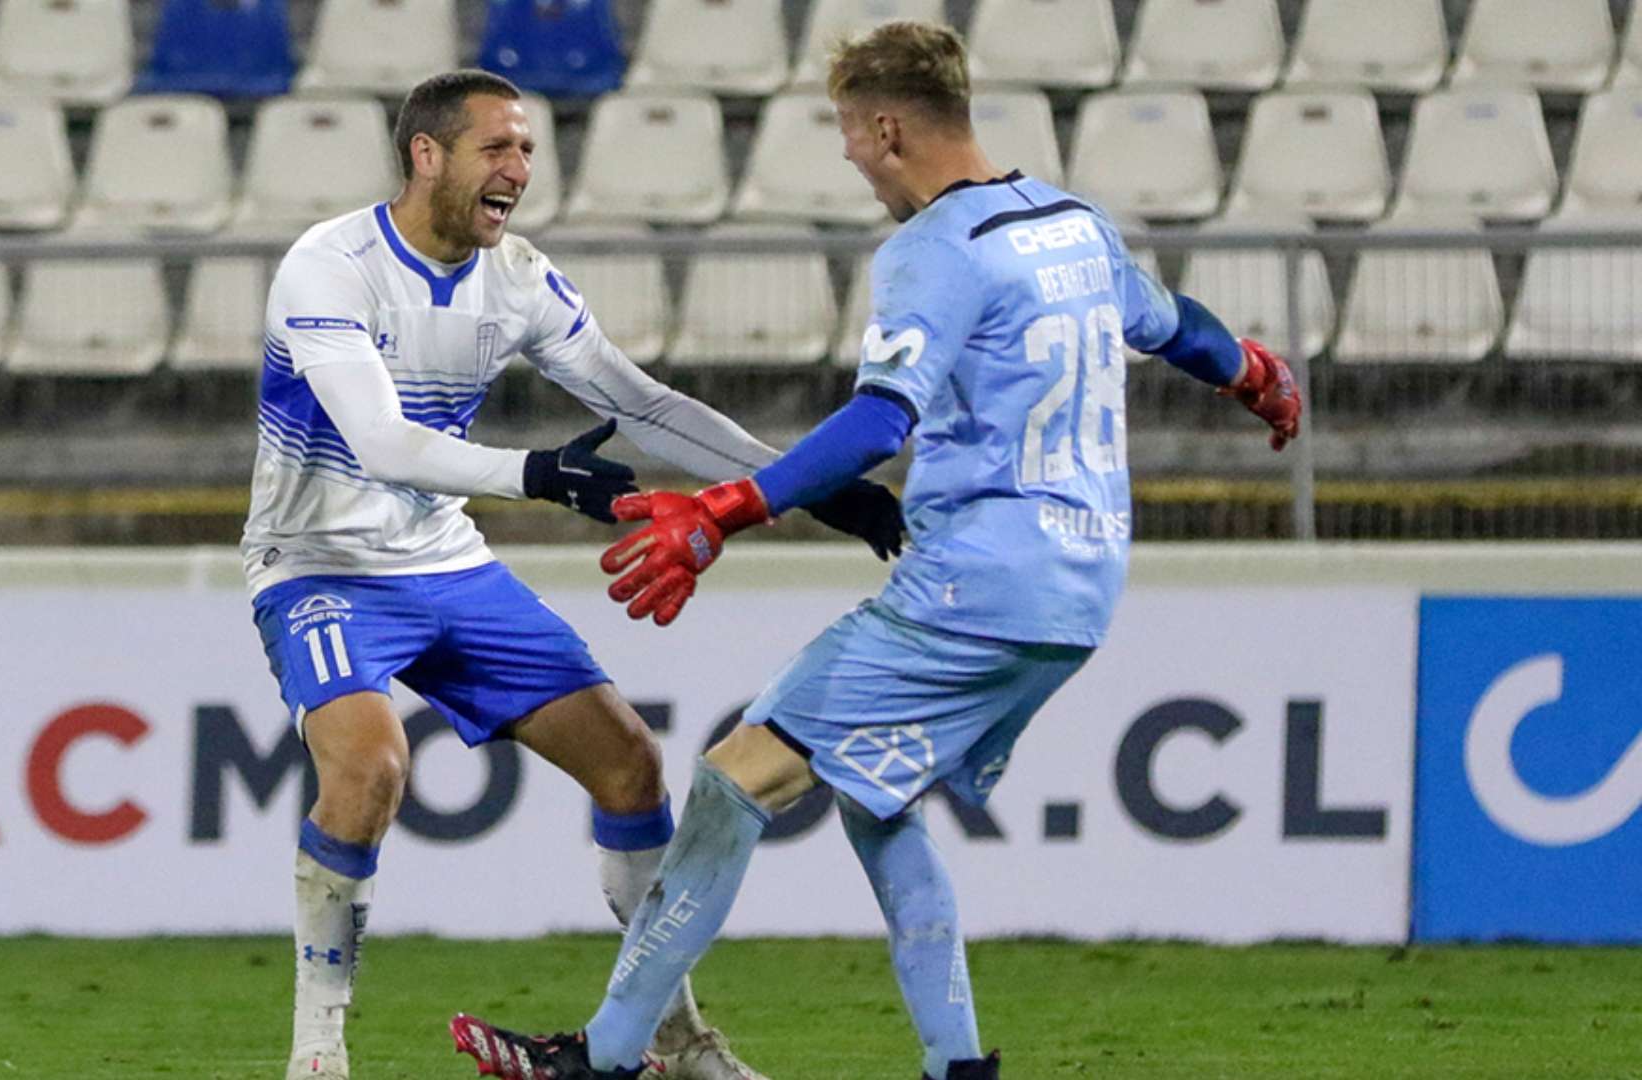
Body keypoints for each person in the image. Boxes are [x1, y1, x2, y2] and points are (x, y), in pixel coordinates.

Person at [448, 21, 1302, 1080]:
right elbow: (1183, 329)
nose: (852, 159)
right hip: (1080, 587)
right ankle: (959, 1068)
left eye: (852, 134)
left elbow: (879, 424)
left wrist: (724, 507)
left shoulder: (935, 252)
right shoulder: (1074, 227)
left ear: (889, 126)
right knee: (874, 797)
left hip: (972, 584)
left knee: (731, 783)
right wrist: (1259, 373)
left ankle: (605, 1061)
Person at [246, 69, 904, 1080]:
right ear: (427, 155)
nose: (517, 171)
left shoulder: (514, 277)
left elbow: (642, 405)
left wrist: (804, 488)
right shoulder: (328, 266)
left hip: (448, 562)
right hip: (318, 566)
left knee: (630, 763)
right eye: (495, 150)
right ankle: (316, 1051)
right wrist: (542, 477)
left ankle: (675, 1043)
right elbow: (380, 443)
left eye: (527, 152)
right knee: (371, 767)